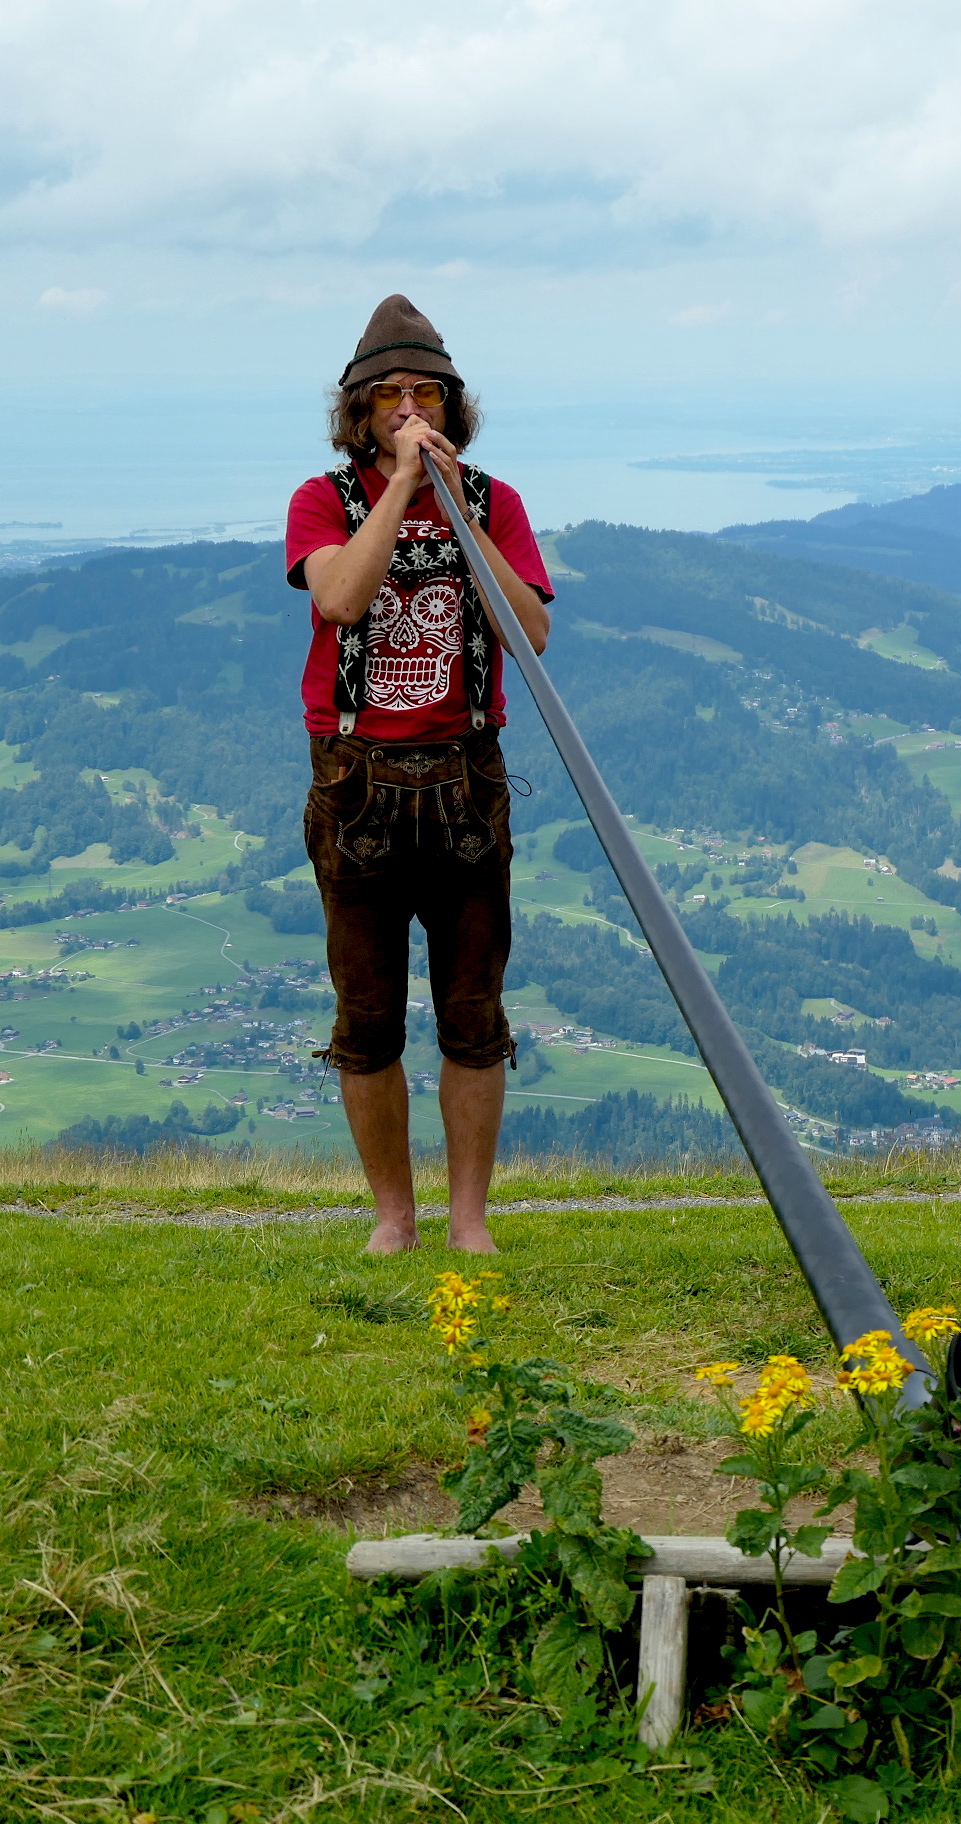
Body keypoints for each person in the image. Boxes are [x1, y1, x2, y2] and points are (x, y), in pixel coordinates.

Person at [284, 296, 554, 1253]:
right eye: (391, 394)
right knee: (366, 1016)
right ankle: (393, 1217)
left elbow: (530, 634)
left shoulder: (496, 503)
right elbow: (345, 599)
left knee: (474, 1013)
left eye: (426, 393)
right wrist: (403, 488)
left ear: (451, 404)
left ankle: (468, 1219)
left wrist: (457, 507)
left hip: (466, 778)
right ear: (359, 410)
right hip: (357, 782)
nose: (410, 409)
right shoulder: (323, 500)